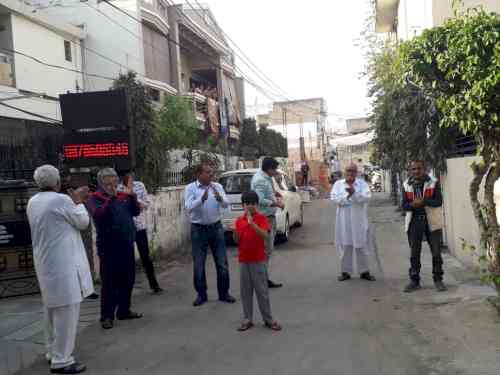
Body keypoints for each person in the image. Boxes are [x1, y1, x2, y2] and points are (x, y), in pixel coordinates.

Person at [27, 165, 92, 374]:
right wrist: (79, 201)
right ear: (57, 182)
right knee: (67, 312)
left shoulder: (32, 201)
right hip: (63, 265)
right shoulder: (61, 200)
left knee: (51, 310)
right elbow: (83, 222)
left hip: (45, 263)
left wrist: (73, 200)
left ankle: (51, 351)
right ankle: (62, 360)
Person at [87, 168, 143, 329]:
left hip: (126, 243)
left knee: (128, 279)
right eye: (108, 183)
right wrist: (110, 199)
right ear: (101, 183)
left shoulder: (123, 196)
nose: (112, 186)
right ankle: (106, 316)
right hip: (108, 247)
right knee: (110, 282)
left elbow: (135, 211)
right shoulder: (94, 198)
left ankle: (124, 310)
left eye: (114, 182)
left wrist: (133, 197)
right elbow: (99, 216)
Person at [184, 163, 236, 307]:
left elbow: (226, 203)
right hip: (198, 229)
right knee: (199, 264)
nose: (211, 175)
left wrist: (220, 199)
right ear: (199, 174)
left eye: (212, 173)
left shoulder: (217, 186)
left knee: (222, 262)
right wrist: (201, 200)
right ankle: (201, 294)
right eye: (208, 173)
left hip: (216, 228)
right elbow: (188, 207)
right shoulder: (190, 188)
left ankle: (224, 293)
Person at [231, 191, 281, 332]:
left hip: (258, 260)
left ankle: (268, 319)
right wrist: (234, 232)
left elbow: (265, 235)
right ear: (243, 205)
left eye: (253, 204)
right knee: (245, 292)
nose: (250, 206)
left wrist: (252, 224)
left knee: (262, 291)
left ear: (257, 204)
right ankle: (247, 319)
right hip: (243, 261)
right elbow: (236, 240)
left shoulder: (261, 219)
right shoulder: (239, 221)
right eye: (247, 204)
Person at [402, 160, 446, 292]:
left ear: (424, 169)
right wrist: (412, 205)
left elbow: (439, 201)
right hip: (414, 221)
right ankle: (414, 281)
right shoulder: (406, 184)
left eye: (419, 169)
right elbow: (403, 205)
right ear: (410, 170)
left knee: (436, 252)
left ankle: (438, 280)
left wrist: (424, 201)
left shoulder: (433, 182)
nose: (416, 171)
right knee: (414, 253)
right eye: (413, 169)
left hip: (431, 221)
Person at [331, 163, 376, 282]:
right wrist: (349, 196)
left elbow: (366, 198)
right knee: (346, 245)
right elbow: (335, 199)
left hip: (359, 220)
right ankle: (346, 272)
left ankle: (364, 271)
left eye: (353, 171)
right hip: (344, 221)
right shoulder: (338, 184)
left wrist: (354, 194)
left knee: (362, 244)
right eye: (348, 170)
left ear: (356, 173)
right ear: (344, 172)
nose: (350, 173)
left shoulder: (362, 184)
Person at [120, 173, 162, 295]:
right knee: (127, 259)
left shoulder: (139, 186)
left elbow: (147, 204)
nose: (130, 179)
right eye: (126, 177)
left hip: (139, 227)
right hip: (125, 228)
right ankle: (126, 288)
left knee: (146, 257)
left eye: (131, 176)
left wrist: (134, 197)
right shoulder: (117, 188)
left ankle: (154, 285)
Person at [251, 157, 285, 288]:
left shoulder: (265, 177)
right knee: (265, 250)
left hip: (269, 216)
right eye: (274, 169)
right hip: (264, 218)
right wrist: (275, 202)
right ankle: (261, 279)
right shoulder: (260, 180)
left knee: (267, 250)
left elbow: (267, 192)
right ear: (269, 168)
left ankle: (263, 278)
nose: (275, 171)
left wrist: (275, 193)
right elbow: (259, 199)